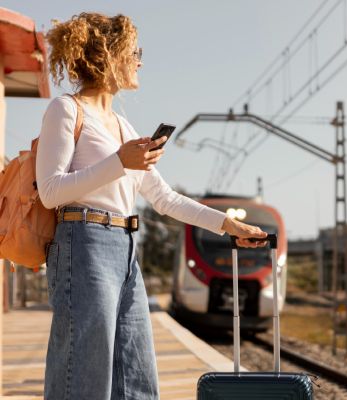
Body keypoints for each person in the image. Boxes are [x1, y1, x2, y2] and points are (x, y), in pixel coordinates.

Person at [37, 12, 267, 399]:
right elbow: (50, 191)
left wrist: (228, 225)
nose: (140, 60)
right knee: (84, 376)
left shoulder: (124, 128)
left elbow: (164, 198)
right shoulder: (66, 110)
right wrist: (119, 163)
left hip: (126, 249)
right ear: (108, 55)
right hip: (83, 244)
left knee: (138, 378)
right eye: (134, 51)